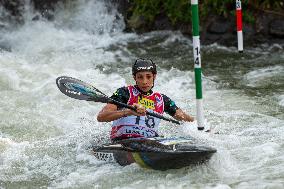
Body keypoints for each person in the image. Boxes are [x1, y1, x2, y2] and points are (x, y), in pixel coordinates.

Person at [97, 58, 194, 142]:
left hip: (148, 142)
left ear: (154, 76)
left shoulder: (162, 100)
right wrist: (129, 112)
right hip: (122, 141)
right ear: (134, 77)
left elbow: (185, 118)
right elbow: (101, 117)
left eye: (148, 77)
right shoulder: (125, 93)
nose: (144, 82)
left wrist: (200, 126)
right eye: (140, 77)